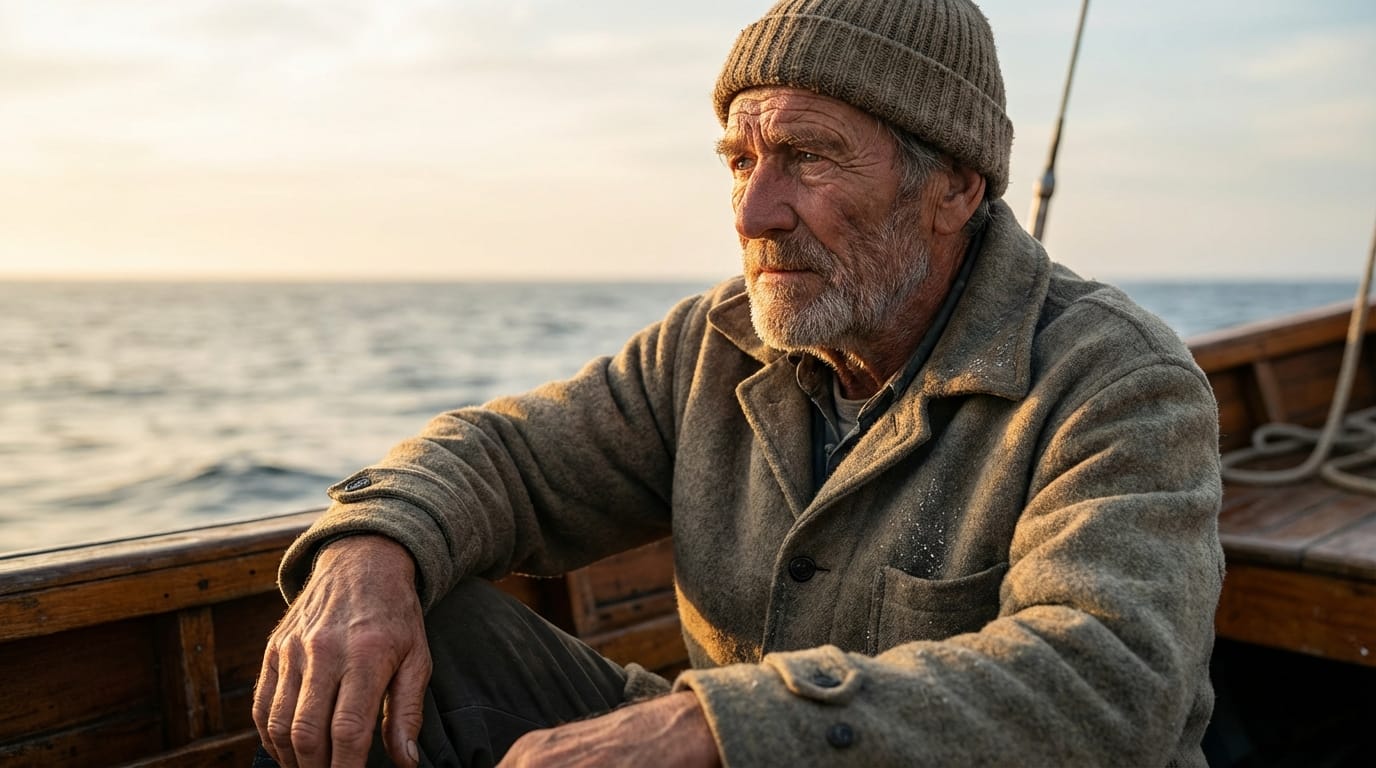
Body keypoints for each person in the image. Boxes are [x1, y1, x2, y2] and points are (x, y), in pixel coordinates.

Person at [253, 0, 1225, 765]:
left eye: (806, 158)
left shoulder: (1116, 379)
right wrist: (369, 554)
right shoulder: (711, 344)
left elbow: (1107, 685)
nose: (755, 211)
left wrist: (716, 729)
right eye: (739, 160)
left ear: (954, 188)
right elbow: (506, 457)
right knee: (408, 627)